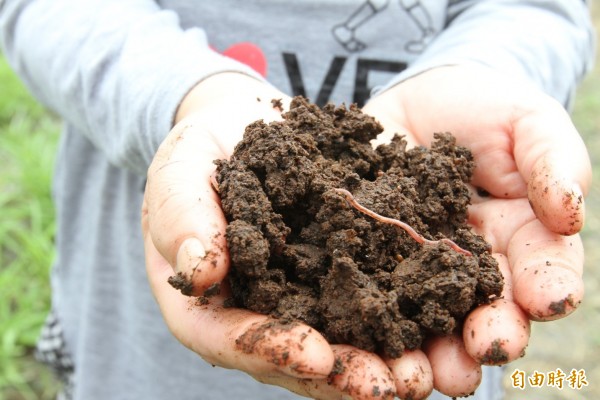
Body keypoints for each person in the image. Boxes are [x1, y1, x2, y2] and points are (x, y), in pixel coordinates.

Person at [0, 1, 594, 399]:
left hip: (435, 357)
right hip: (139, 346)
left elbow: (540, 11)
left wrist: (482, 68)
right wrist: (187, 92)